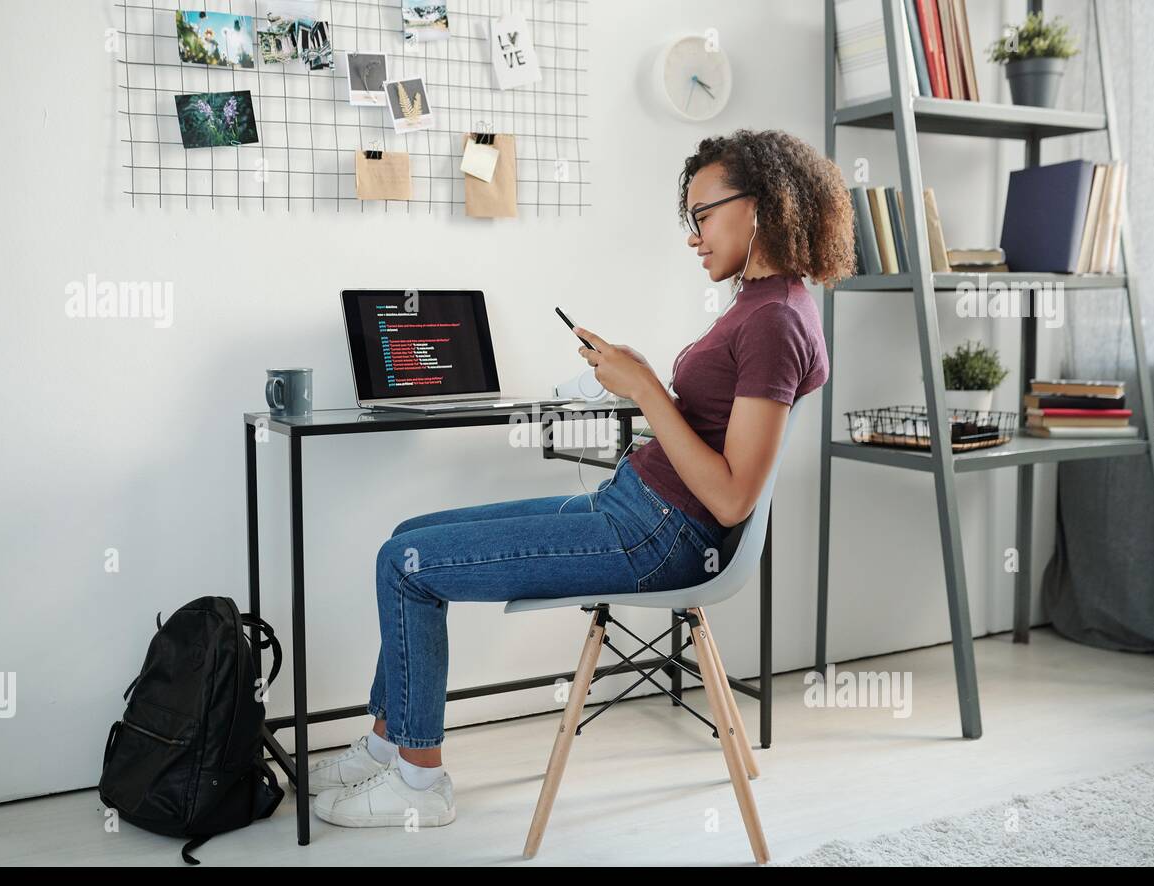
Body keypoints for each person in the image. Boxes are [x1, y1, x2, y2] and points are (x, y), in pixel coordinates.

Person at [309, 128, 855, 828]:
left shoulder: (774, 320)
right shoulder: (763, 304)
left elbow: (730, 496)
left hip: (661, 537)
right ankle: (388, 745)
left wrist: (648, 390)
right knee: (407, 536)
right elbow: (714, 432)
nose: (692, 235)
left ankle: (419, 780)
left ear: (762, 206)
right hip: (634, 508)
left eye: (703, 214)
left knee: (406, 564)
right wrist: (639, 379)